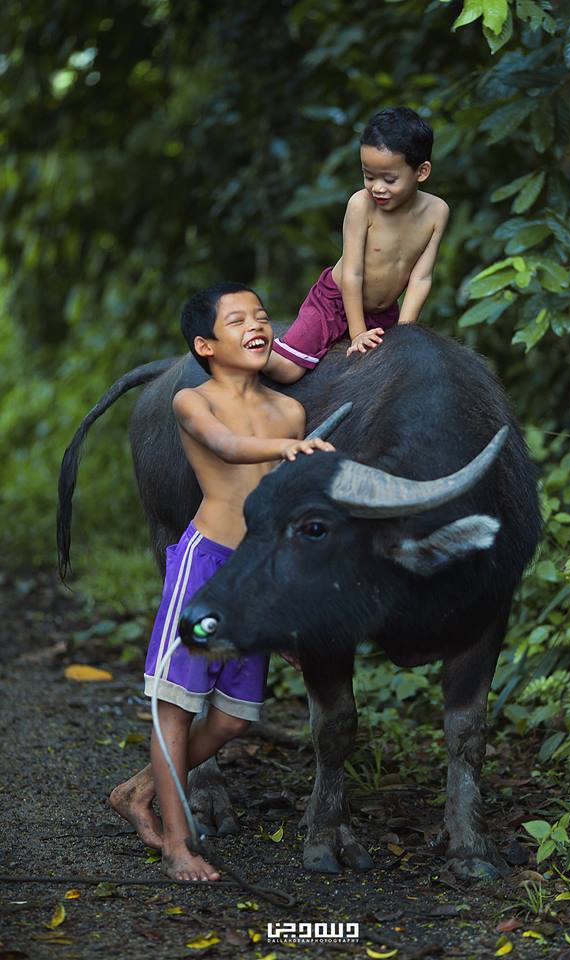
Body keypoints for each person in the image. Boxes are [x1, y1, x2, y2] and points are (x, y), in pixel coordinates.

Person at [109, 282, 333, 882]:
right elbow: (229, 448)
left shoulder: (290, 410)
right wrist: (290, 448)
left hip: (256, 579)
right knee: (177, 708)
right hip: (206, 565)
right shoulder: (192, 401)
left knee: (235, 717)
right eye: (237, 321)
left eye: (261, 315)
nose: (257, 324)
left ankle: (138, 789)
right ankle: (178, 846)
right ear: (206, 344)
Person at [266, 106, 449, 383]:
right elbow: (353, 274)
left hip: (383, 312)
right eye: (369, 176)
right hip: (335, 301)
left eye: (389, 179)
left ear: (422, 172)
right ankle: (238, 359)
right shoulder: (361, 205)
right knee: (287, 369)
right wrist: (358, 333)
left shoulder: (437, 212)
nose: (377, 187)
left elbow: (421, 277)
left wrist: (404, 332)